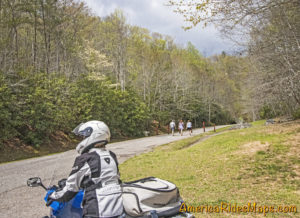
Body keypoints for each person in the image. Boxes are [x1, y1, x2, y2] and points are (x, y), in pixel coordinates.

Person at [47, 120, 123, 218]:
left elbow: (70, 189)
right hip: (117, 206)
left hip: (96, 207)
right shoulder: (112, 155)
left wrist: (53, 196)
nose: (82, 139)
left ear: (94, 135)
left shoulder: (85, 159)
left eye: (84, 136)